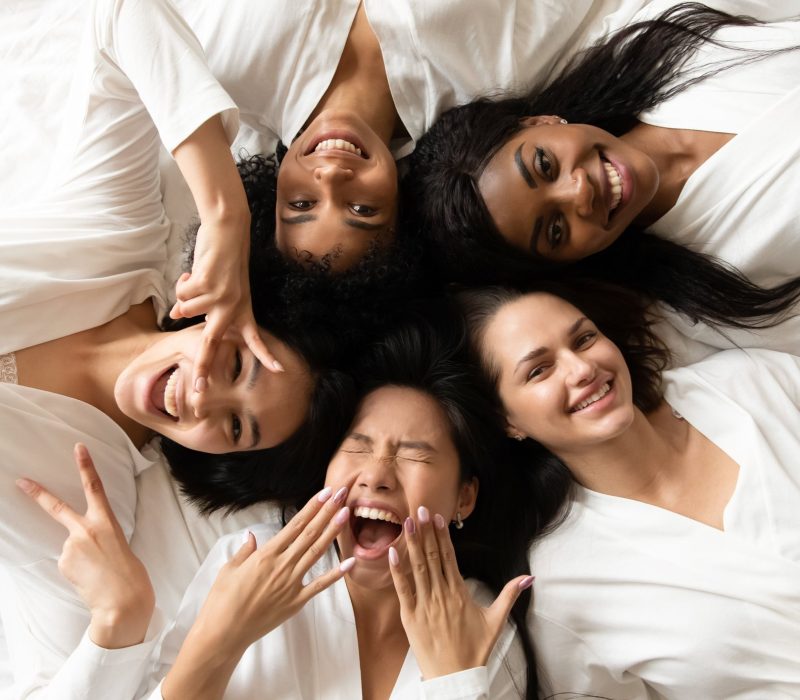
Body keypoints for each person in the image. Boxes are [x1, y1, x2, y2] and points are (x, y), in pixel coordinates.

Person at [0, 0, 355, 695]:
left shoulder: (92, 499)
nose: (198, 396)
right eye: (234, 362)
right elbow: (118, 14)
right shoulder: (114, 241)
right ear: (228, 309)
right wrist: (225, 208)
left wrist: (118, 622)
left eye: (232, 427)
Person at [19, 315, 539, 699]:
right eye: (357, 447)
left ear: (463, 497)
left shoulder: (482, 628)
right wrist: (218, 641)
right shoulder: (250, 561)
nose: (376, 476)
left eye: (414, 455)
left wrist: (453, 682)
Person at [458, 279, 800, 698]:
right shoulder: (564, 594)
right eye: (538, 370)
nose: (582, 369)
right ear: (506, 421)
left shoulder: (752, 384)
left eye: (584, 339)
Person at [407, 2, 800, 361]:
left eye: (544, 164)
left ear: (538, 122)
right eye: (556, 229)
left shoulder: (658, 38)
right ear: (565, 261)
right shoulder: (717, 300)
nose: (579, 191)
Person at [155, 0, 663, 271]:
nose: (332, 176)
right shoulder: (489, 77)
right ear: (400, 203)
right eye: (362, 210)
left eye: (301, 205)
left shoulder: (223, 82)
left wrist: (225, 216)